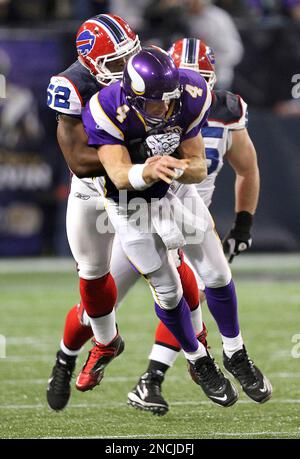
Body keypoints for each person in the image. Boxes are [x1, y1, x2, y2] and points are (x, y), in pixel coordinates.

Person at [46, 15, 208, 412]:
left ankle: (198, 343)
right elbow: (80, 162)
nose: (126, 71)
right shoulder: (72, 86)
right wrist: (134, 162)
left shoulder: (148, 75)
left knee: (171, 260)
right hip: (95, 189)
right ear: (90, 63)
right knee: (91, 273)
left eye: (129, 58)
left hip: (142, 190)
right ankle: (92, 347)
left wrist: (149, 166)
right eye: (116, 65)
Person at [79, 47, 240, 407]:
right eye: (154, 104)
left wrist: (179, 168)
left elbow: (198, 165)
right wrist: (146, 170)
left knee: (215, 269)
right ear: (134, 95)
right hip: (127, 204)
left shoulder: (191, 92)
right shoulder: (106, 107)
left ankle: (235, 351)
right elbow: (119, 175)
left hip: (174, 192)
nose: (164, 110)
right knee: (167, 290)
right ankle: (199, 360)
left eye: (170, 102)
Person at [126, 38, 271, 415]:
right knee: (166, 294)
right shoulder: (143, 109)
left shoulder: (224, 108)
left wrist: (243, 222)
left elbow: (247, 168)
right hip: (140, 210)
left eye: (201, 79)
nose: (194, 89)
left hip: (192, 213)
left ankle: (159, 377)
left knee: (207, 284)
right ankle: (153, 374)